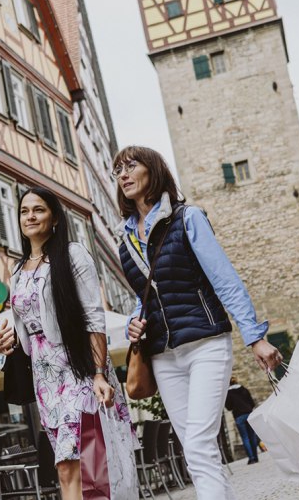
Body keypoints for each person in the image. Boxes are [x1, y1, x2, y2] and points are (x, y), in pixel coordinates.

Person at [114, 145, 283, 499]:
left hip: (206, 344)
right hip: (163, 356)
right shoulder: (125, 239)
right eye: (118, 169)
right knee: (195, 448)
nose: (123, 174)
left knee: (199, 443)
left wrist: (255, 338)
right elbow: (142, 296)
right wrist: (134, 320)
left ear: (154, 170)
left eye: (132, 165)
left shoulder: (187, 218)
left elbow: (225, 280)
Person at [0, 187, 137, 500]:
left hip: (78, 369)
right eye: (24, 211)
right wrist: (7, 341)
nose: (30, 216)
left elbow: (93, 318)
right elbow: (26, 326)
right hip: (44, 377)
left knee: (86, 459)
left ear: (54, 217)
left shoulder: (72, 255)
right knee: (64, 465)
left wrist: (98, 372)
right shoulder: (17, 270)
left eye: (39, 210)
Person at [224, 377, 261, 464]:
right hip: (249, 414)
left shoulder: (228, 393)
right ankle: (256, 457)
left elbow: (229, 407)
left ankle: (251, 458)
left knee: (245, 437)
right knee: (252, 436)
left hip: (239, 416)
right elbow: (252, 403)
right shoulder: (244, 389)